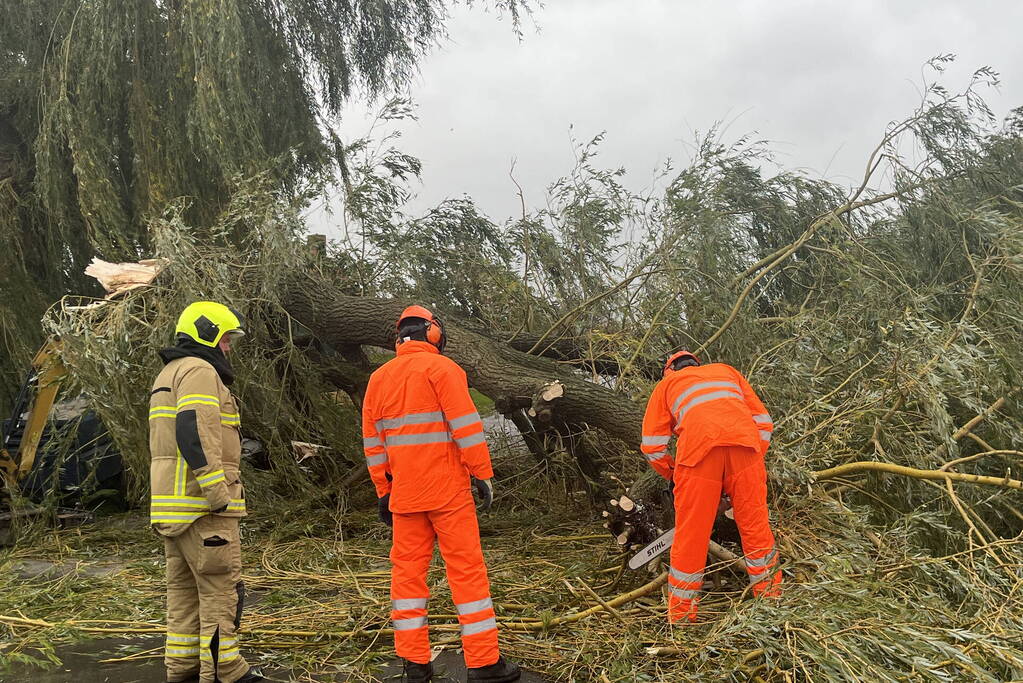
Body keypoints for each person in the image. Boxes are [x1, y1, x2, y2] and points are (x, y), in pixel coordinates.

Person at [362, 305, 521, 683]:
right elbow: (467, 429)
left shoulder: (378, 379)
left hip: (404, 494)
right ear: (432, 333)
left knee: (406, 579)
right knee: (466, 573)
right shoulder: (445, 370)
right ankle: (483, 663)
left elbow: (373, 443)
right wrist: (482, 474)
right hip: (448, 492)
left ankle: (415, 665)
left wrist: (383, 489)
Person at [149, 301, 263, 683]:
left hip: (174, 509)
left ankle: (181, 670)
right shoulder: (199, 371)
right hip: (203, 508)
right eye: (227, 339)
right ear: (209, 334)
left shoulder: (169, 372)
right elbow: (193, 432)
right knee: (220, 591)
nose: (228, 348)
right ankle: (226, 672)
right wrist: (218, 491)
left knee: (183, 597)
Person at [640, 350, 782, 624]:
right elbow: (764, 424)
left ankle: (682, 619)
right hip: (747, 450)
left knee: (691, 537)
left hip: (698, 456)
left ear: (669, 370)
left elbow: (653, 446)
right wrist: (747, 463)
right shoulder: (727, 371)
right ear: (697, 364)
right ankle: (772, 602)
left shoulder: (667, 384)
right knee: (756, 528)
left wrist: (674, 474)